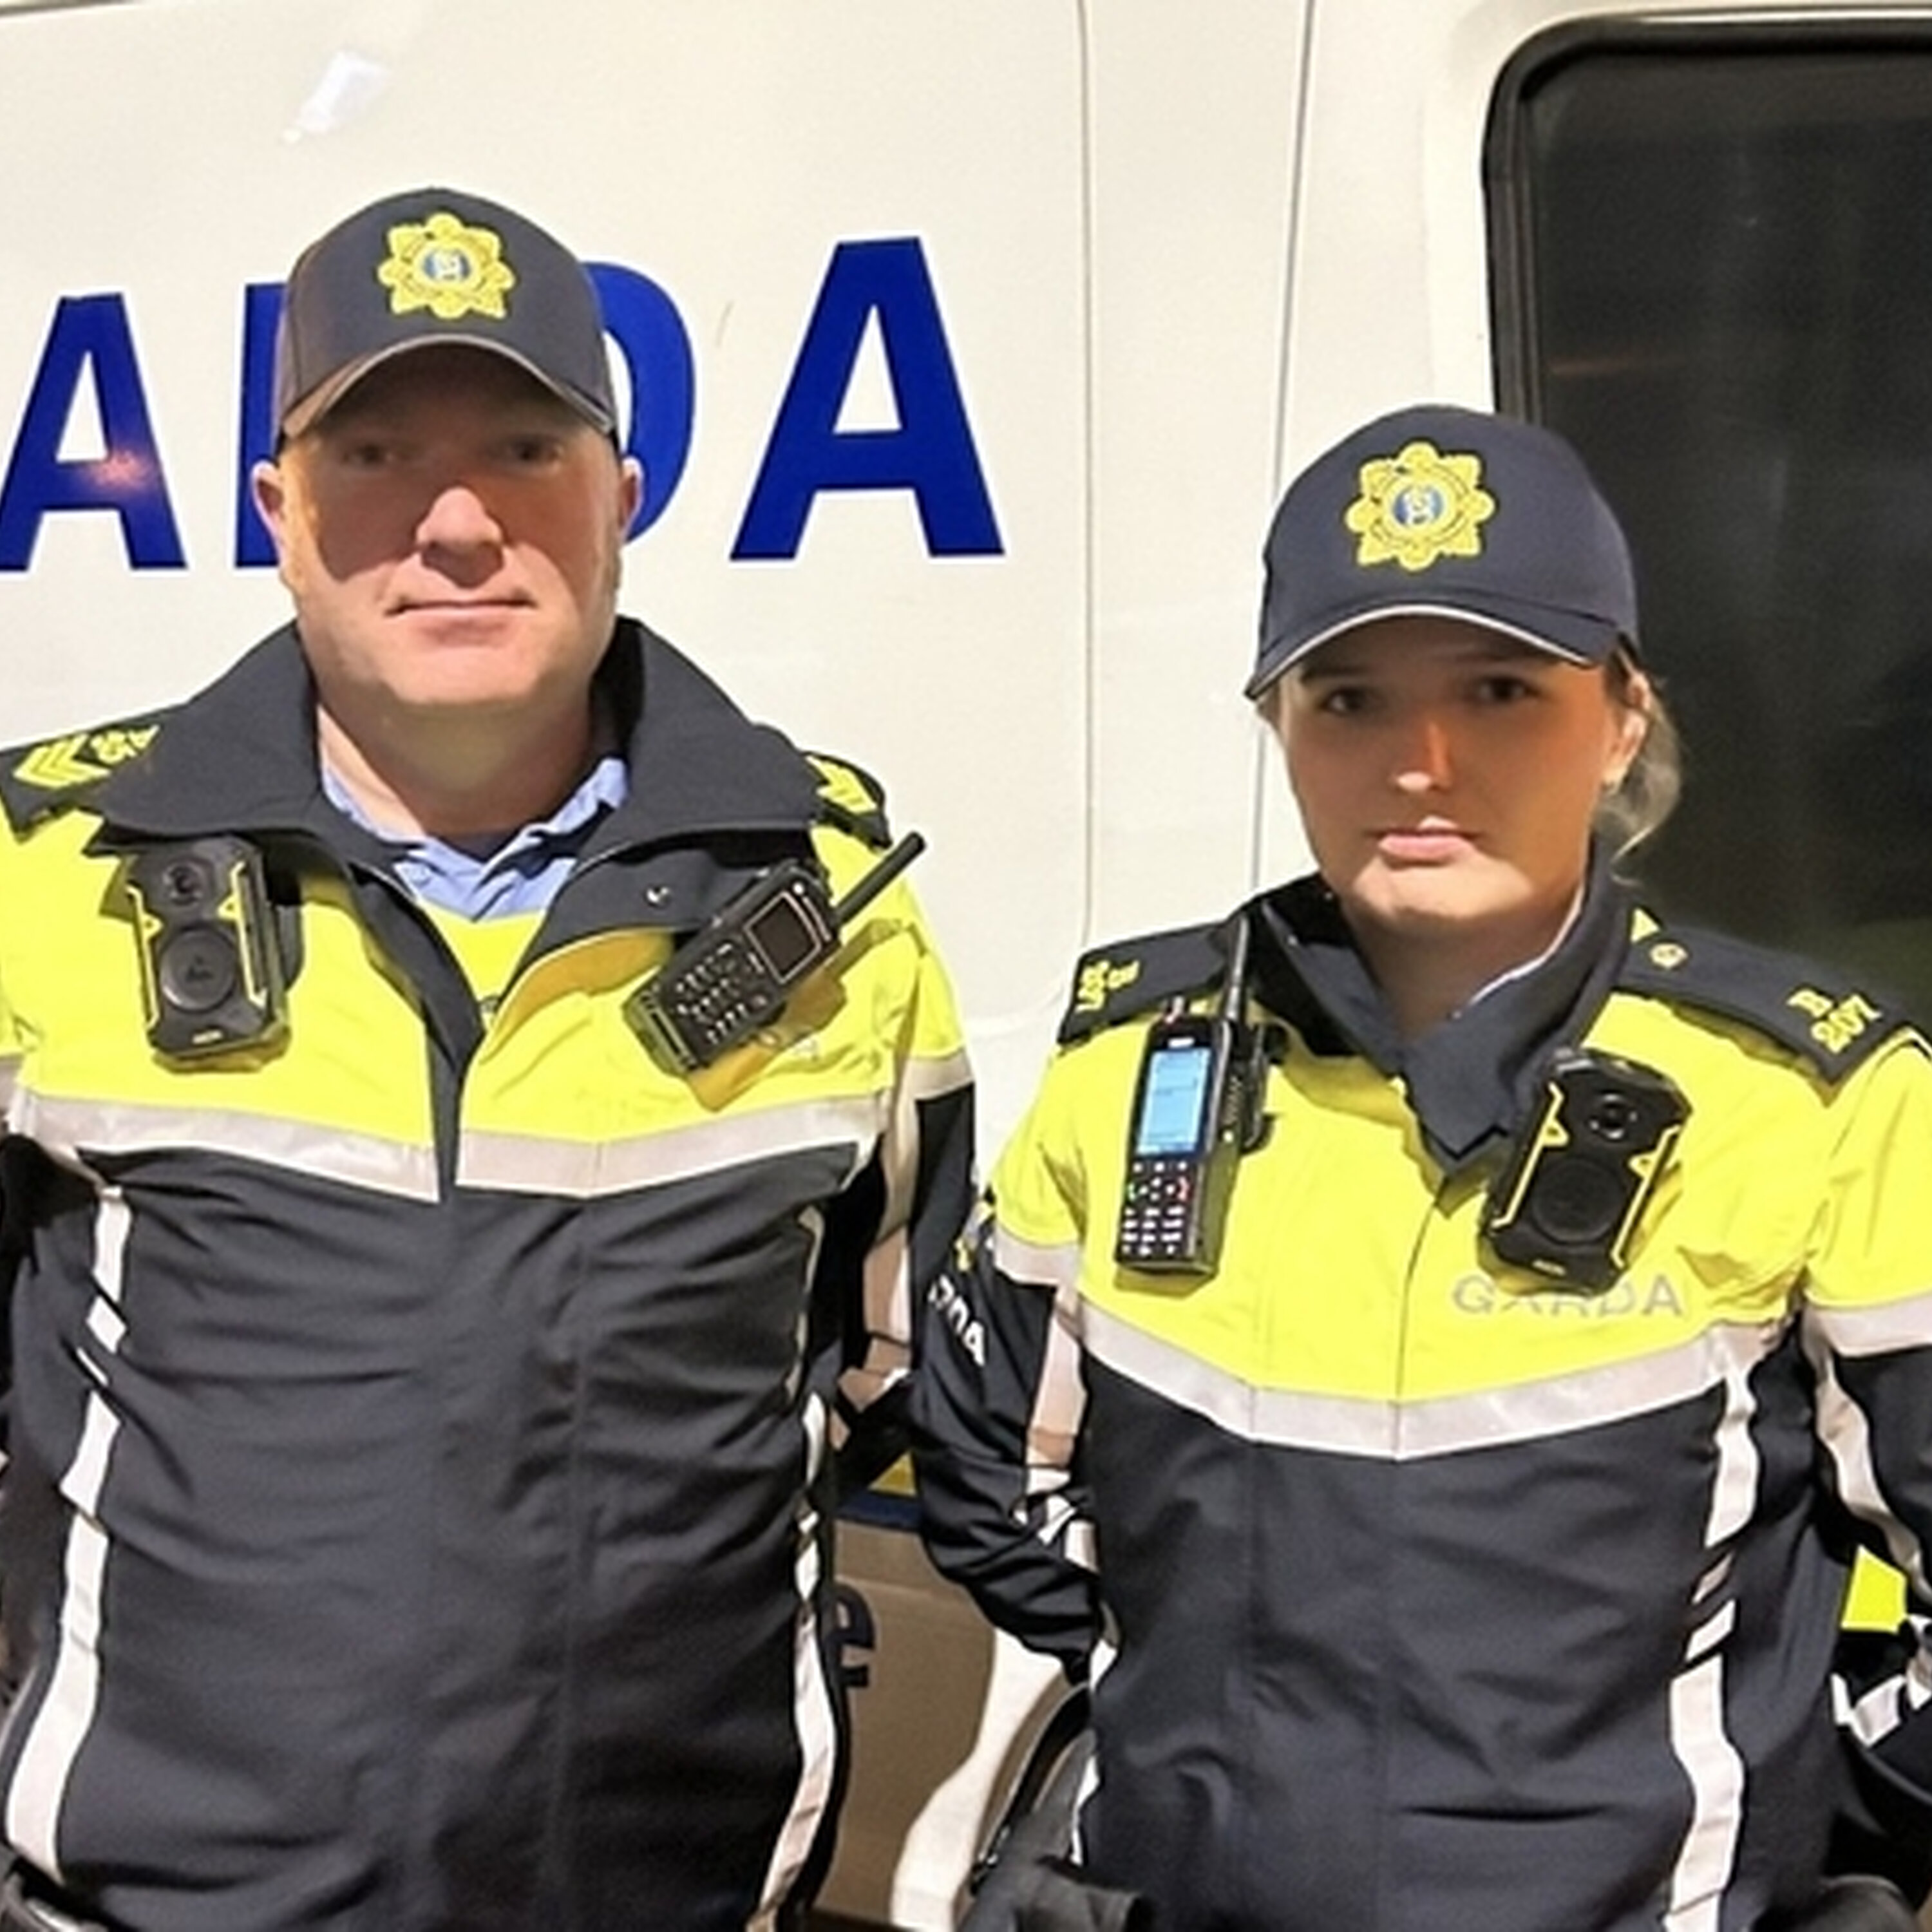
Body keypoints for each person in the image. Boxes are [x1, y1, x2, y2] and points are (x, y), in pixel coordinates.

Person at [0, 185, 973, 1931]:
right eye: (374, 454)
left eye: (525, 446)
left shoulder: (832, 910)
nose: (455, 524)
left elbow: (866, 1367)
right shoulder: (43, 879)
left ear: (624, 495)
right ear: (279, 515)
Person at [912, 404, 1932, 1931]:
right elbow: (995, 1485)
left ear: (1622, 718)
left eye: (1504, 690)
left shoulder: (1812, 1100)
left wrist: (1780, 1796)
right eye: (1351, 699)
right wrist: (1213, 1718)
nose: (1423, 762)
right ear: (1279, 726)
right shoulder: (1135, 1072)